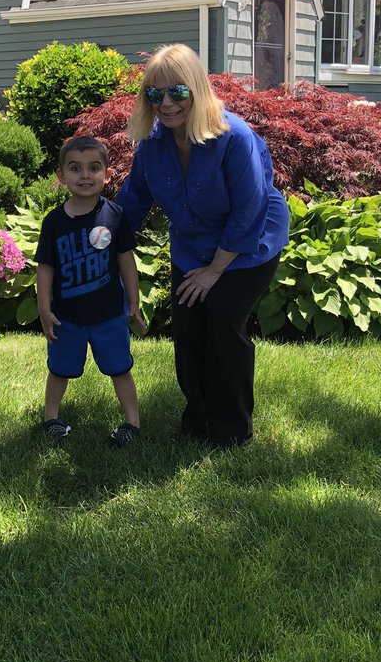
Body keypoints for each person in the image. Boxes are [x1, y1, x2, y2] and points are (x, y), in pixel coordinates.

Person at [117, 44, 290, 448]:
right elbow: (132, 202)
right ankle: (198, 418)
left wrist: (215, 272)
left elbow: (249, 210)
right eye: (154, 94)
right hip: (192, 248)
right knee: (189, 331)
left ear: (196, 89)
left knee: (224, 327)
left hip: (248, 247)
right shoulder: (153, 144)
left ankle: (231, 430)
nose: (165, 103)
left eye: (177, 92)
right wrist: (92, 235)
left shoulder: (235, 137)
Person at [36, 135, 147, 448]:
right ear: (61, 176)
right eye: (75, 168)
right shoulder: (54, 222)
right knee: (59, 370)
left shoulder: (115, 216)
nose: (84, 175)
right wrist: (45, 310)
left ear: (106, 173)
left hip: (109, 316)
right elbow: (45, 269)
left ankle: (132, 422)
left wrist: (133, 303)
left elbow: (127, 261)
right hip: (66, 318)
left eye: (93, 168)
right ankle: (50, 418)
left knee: (120, 369)